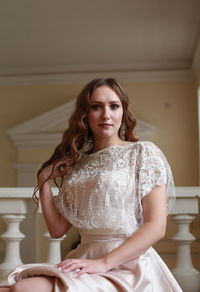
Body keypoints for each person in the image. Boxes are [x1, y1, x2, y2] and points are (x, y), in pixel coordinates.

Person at [0, 78, 182, 291]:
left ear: (123, 111)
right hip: (82, 260)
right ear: (85, 115)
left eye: (114, 106)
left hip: (126, 265)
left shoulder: (142, 153)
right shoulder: (79, 165)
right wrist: (43, 180)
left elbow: (156, 227)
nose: (106, 115)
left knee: (22, 289)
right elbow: (57, 229)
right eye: (97, 107)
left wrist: (102, 263)